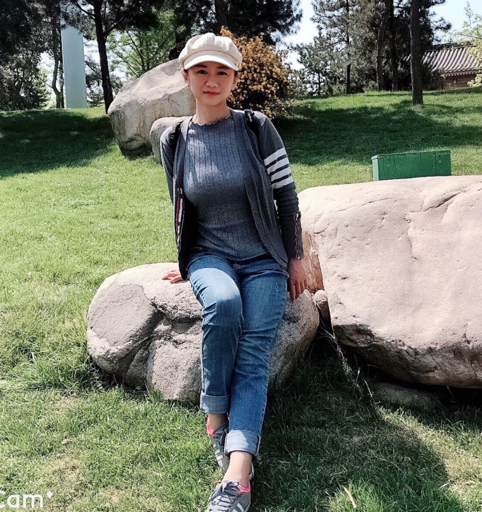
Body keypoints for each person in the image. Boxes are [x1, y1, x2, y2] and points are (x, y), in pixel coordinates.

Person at [159, 32, 307, 512]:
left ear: (235, 78)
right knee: (223, 303)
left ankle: (237, 474)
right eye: (201, 71)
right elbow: (180, 204)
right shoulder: (173, 139)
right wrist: (185, 261)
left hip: (264, 257)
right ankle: (216, 409)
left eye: (221, 71)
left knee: (254, 353)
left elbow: (286, 196)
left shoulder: (256, 127)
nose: (211, 80)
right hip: (210, 255)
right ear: (186, 76)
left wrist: (295, 257)